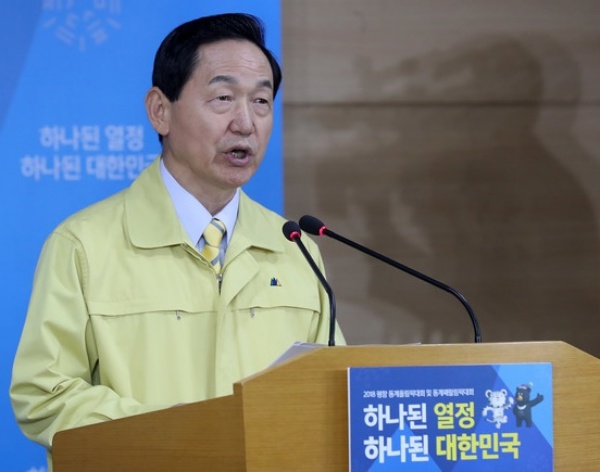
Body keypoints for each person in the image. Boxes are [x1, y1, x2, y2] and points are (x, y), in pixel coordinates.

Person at [10, 12, 343, 465]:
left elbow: (331, 390)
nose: (246, 123)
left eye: (262, 101)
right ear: (160, 111)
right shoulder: (84, 245)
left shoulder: (294, 248)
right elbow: (45, 395)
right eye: (223, 98)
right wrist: (180, 434)